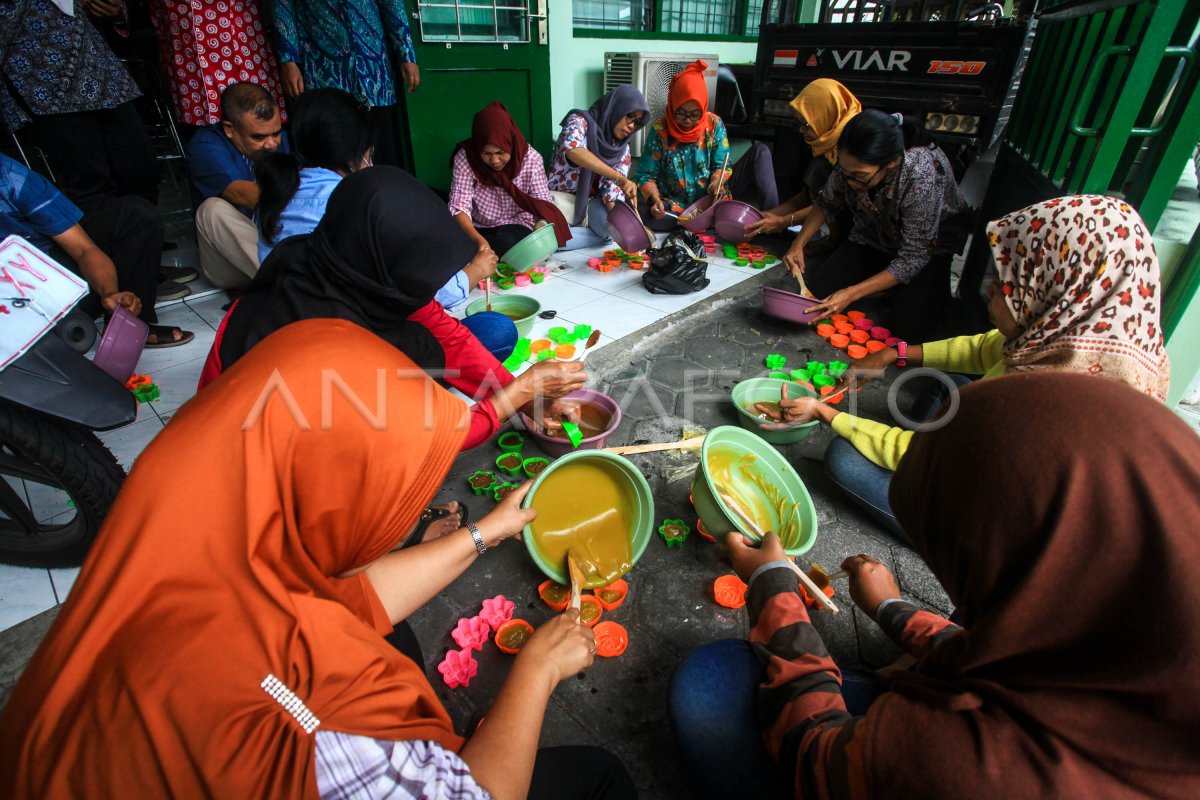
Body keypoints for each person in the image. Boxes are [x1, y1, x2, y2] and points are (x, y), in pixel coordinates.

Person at [0, 320, 638, 799]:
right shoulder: (300, 730)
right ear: (325, 500)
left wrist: (487, 533)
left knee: (390, 635)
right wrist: (536, 670)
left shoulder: (191, 544)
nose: (398, 517)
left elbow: (348, 605)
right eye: (387, 498)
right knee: (599, 778)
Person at [670, 372, 1200, 800]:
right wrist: (893, 609)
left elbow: (813, 753)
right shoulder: (1137, 617)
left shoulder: (975, 769)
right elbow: (994, 656)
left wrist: (771, 584)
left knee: (709, 685)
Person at [761, 195, 1171, 536]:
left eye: (1009, 284)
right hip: (975, 456)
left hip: (987, 524)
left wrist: (824, 412)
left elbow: (909, 452)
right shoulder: (1087, 335)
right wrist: (892, 353)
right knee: (951, 382)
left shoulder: (1039, 402)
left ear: (1057, 288)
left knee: (844, 459)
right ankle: (932, 437)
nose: (989, 291)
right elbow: (984, 349)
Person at [199, 167, 584, 450]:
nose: (431, 287)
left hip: (325, 407)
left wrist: (530, 397)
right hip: (260, 459)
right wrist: (515, 397)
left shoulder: (341, 266)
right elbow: (433, 439)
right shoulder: (322, 343)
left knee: (439, 338)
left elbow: (445, 333)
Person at [789, 109, 970, 341]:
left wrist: (851, 294)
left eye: (860, 176)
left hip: (929, 247)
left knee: (908, 330)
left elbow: (912, 257)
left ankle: (912, 290)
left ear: (891, 163)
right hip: (875, 235)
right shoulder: (850, 161)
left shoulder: (921, 175)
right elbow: (826, 202)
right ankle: (886, 280)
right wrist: (798, 244)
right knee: (817, 296)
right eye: (846, 173)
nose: (851, 182)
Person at [0, 152, 193, 347]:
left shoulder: (9, 176)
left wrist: (110, 293)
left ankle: (126, 327)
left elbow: (84, 250)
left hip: (47, 280)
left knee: (135, 214)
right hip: (9, 312)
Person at [0, 0, 158, 214]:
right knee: (89, 185)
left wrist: (116, 12)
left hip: (106, 80)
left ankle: (144, 237)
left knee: (140, 168)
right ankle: (110, 244)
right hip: (45, 89)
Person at [267, 0, 419, 166]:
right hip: (323, 67)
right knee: (333, 148)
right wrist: (288, 59)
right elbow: (282, 5)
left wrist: (406, 54)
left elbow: (392, 3)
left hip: (373, 67)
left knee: (379, 150)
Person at [635, 60, 777, 231]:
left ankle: (772, 222)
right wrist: (655, 199)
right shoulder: (659, 131)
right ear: (672, 106)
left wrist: (717, 182)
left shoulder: (714, 124)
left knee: (761, 151)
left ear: (703, 108)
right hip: (676, 205)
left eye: (695, 114)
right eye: (681, 113)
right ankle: (704, 222)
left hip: (713, 198)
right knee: (646, 214)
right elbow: (645, 176)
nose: (688, 120)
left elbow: (721, 164)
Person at [187, 82, 288, 288]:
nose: (272, 144)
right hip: (230, 260)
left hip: (276, 245)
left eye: (275, 133)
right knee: (212, 209)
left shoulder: (279, 139)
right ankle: (293, 283)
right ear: (229, 129)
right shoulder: (205, 146)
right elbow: (245, 195)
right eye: (258, 137)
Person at [745, 78, 861, 249]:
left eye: (806, 124)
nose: (801, 130)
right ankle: (834, 243)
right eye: (799, 123)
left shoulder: (854, 149)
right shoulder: (827, 144)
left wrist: (783, 222)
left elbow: (833, 203)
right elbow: (808, 197)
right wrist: (763, 216)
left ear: (826, 114)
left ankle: (842, 245)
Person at [448, 101, 571, 259]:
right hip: (478, 226)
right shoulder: (466, 157)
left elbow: (542, 202)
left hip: (516, 225)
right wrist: (478, 240)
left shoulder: (530, 159)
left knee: (512, 243)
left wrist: (539, 233)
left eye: (501, 152)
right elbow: (459, 205)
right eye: (486, 153)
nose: (494, 160)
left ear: (511, 144)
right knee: (452, 237)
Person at [146, 0, 287, 128]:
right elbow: (158, 15)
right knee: (201, 131)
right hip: (187, 63)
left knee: (254, 121)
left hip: (240, 53)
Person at [547, 85, 649, 250]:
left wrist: (620, 222)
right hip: (561, 198)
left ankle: (564, 240)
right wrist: (619, 178)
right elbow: (573, 150)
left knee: (607, 228)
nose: (631, 125)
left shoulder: (622, 148)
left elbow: (611, 190)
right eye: (630, 116)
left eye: (637, 123)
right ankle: (586, 238)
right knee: (543, 231)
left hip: (592, 202)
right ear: (617, 108)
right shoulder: (579, 120)